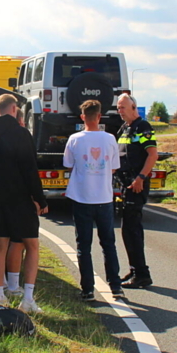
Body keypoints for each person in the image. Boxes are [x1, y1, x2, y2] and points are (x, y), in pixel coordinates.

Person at [0, 93, 48, 314]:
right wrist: (40, 198)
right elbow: (29, 168)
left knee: (0, 246)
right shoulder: (21, 133)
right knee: (32, 246)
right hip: (20, 198)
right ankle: (27, 299)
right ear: (14, 109)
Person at [63, 100, 124, 301]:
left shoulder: (74, 139)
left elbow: (69, 165)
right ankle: (115, 286)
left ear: (82, 117)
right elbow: (114, 167)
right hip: (104, 198)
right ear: (99, 116)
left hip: (81, 197)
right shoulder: (110, 139)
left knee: (84, 246)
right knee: (108, 244)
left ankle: (88, 289)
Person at [116, 94, 158, 289]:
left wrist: (141, 177)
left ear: (134, 107)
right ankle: (135, 270)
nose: (120, 111)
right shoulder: (124, 129)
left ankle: (142, 274)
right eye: (118, 107)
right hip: (126, 185)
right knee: (127, 229)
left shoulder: (143, 127)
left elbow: (152, 154)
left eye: (123, 107)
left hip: (136, 183)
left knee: (132, 230)